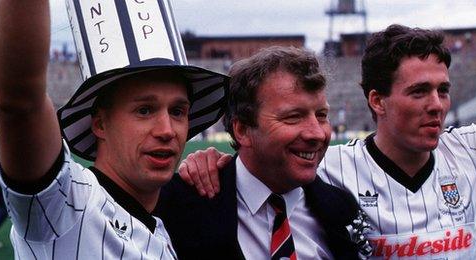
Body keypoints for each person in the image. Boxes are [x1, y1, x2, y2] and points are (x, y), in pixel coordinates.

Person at [183, 23, 476, 259]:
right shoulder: (330, 172)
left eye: (443, 90)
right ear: (377, 100)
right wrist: (211, 160)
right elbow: (266, 163)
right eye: (418, 92)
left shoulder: (475, 151)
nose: (437, 105)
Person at [0, 1, 227, 259]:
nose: (167, 130)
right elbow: (20, 101)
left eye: (177, 111)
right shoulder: (66, 204)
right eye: (145, 110)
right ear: (100, 124)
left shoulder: (162, 230)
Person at [154, 46, 371, 260]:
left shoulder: (341, 209)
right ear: (243, 130)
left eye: (322, 115)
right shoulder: (177, 207)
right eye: (293, 117)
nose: (317, 133)